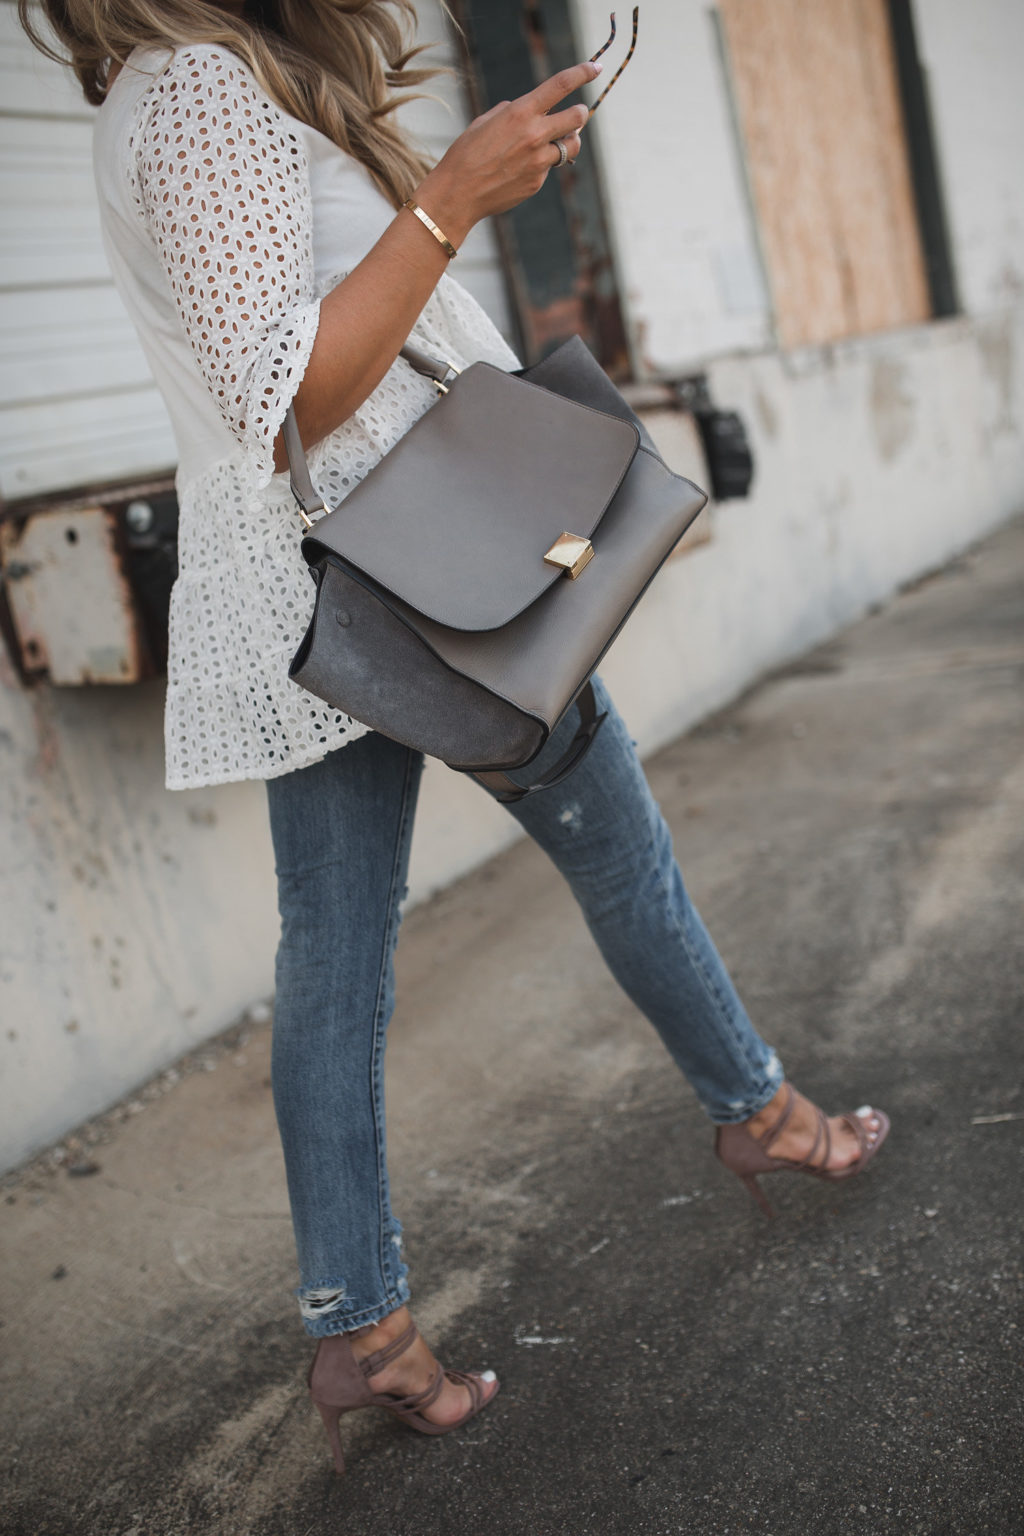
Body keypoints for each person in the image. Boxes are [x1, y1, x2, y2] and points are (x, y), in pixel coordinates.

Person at [22, 0, 889, 1475]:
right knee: (614, 853)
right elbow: (288, 397)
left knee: (339, 961)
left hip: (362, 581)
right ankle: (764, 1113)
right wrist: (445, 200)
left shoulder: (212, 91)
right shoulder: (195, 97)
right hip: (416, 582)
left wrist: (454, 191)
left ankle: (365, 1327)